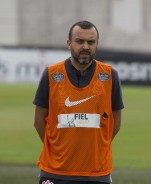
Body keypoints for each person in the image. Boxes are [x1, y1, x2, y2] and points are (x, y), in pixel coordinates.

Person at [33, 20, 124, 184]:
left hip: (97, 173)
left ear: (97, 44)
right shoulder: (51, 74)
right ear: (69, 43)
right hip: (55, 172)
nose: (85, 47)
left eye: (91, 42)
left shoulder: (110, 75)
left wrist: (97, 148)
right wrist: (57, 148)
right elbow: (39, 121)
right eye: (80, 41)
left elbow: (115, 122)